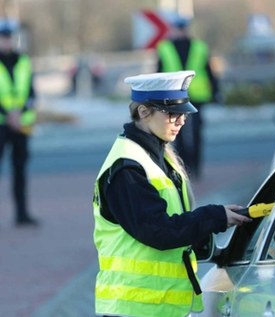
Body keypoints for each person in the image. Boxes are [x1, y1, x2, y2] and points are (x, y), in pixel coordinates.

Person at [93, 71, 250, 317]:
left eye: (184, 113)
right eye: (172, 114)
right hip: (133, 308)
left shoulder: (159, 156)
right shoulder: (127, 167)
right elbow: (158, 231)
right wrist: (214, 217)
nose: (181, 121)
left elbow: (176, 221)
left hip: (157, 306)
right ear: (144, 112)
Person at [156, 15, 219, 179]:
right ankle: (188, 167)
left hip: (186, 95)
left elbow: (209, 71)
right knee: (180, 132)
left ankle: (192, 167)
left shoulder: (197, 47)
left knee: (189, 132)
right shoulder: (167, 48)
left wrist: (215, 91)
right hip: (180, 95)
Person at [0, 21, 38, 226]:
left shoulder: (23, 61)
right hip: (2, 124)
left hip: (21, 125)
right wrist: (8, 114)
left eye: (8, 38)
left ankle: (22, 214)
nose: (6, 42)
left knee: (20, 170)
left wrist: (20, 113)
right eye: (3, 38)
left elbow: (31, 92)